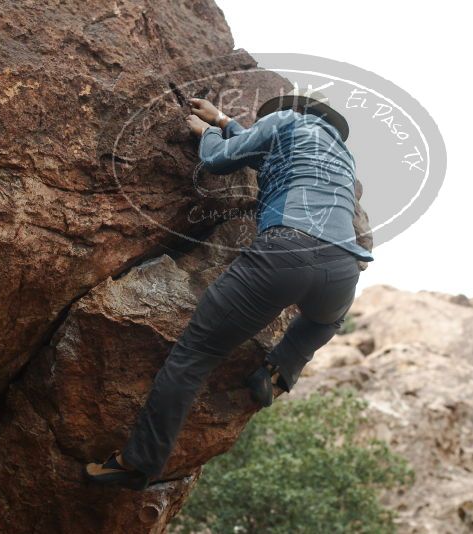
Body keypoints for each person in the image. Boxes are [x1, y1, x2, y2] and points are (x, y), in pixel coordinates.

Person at [84, 88, 374, 490]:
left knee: (194, 355)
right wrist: (222, 120)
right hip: (343, 270)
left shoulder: (285, 120)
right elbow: (263, 156)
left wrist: (206, 134)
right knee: (324, 322)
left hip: (284, 252)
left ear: (286, 112)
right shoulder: (341, 156)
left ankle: (139, 463)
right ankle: (280, 370)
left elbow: (221, 160)